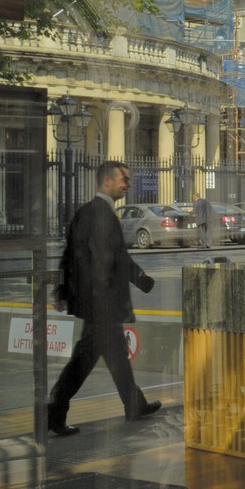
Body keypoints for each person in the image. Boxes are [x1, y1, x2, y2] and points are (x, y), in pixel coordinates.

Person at [48, 161, 161, 436]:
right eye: (124, 179)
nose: (128, 184)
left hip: (98, 302)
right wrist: (111, 297)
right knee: (83, 362)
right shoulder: (101, 215)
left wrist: (63, 291)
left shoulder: (88, 212)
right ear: (107, 181)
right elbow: (107, 260)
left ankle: (134, 405)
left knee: (115, 356)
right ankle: (53, 411)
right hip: (102, 304)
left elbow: (70, 255)